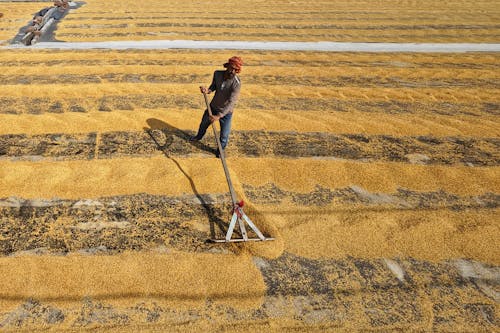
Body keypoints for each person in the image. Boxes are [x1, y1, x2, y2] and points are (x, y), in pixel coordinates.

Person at [190, 56, 243, 157]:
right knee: (203, 124)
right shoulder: (217, 74)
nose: (232, 71)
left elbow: (232, 102)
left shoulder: (237, 83)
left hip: (226, 112)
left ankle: (220, 150)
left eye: (235, 69)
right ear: (227, 66)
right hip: (213, 107)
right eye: (231, 68)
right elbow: (214, 86)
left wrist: (219, 115)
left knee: (224, 135)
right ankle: (198, 137)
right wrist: (208, 90)